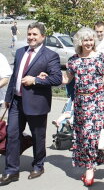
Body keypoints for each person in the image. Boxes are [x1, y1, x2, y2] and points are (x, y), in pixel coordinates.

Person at [0, 22, 62, 186]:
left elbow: (56, 79)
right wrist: (8, 97)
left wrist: (35, 80)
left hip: (36, 103)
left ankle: (38, 165)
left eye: (35, 34)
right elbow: (14, 76)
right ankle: (11, 170)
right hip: (16, 102)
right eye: (29, 34)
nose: (31, 37)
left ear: (42, 36)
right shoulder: (20, 52)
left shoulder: (50, 55)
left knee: (38, 136)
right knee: (12, 135)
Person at [62, 27, 104, 186]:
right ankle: (89, 165)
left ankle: (90, 169)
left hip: (97, 102)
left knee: (91, 135)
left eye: (91, 40)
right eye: (85, 40)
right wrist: (47, 75)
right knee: (82, 136)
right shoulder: (74, 60)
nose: (88, 43)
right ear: (80, 41)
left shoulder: (100, 58)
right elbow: (66, 79)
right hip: (80, 103)